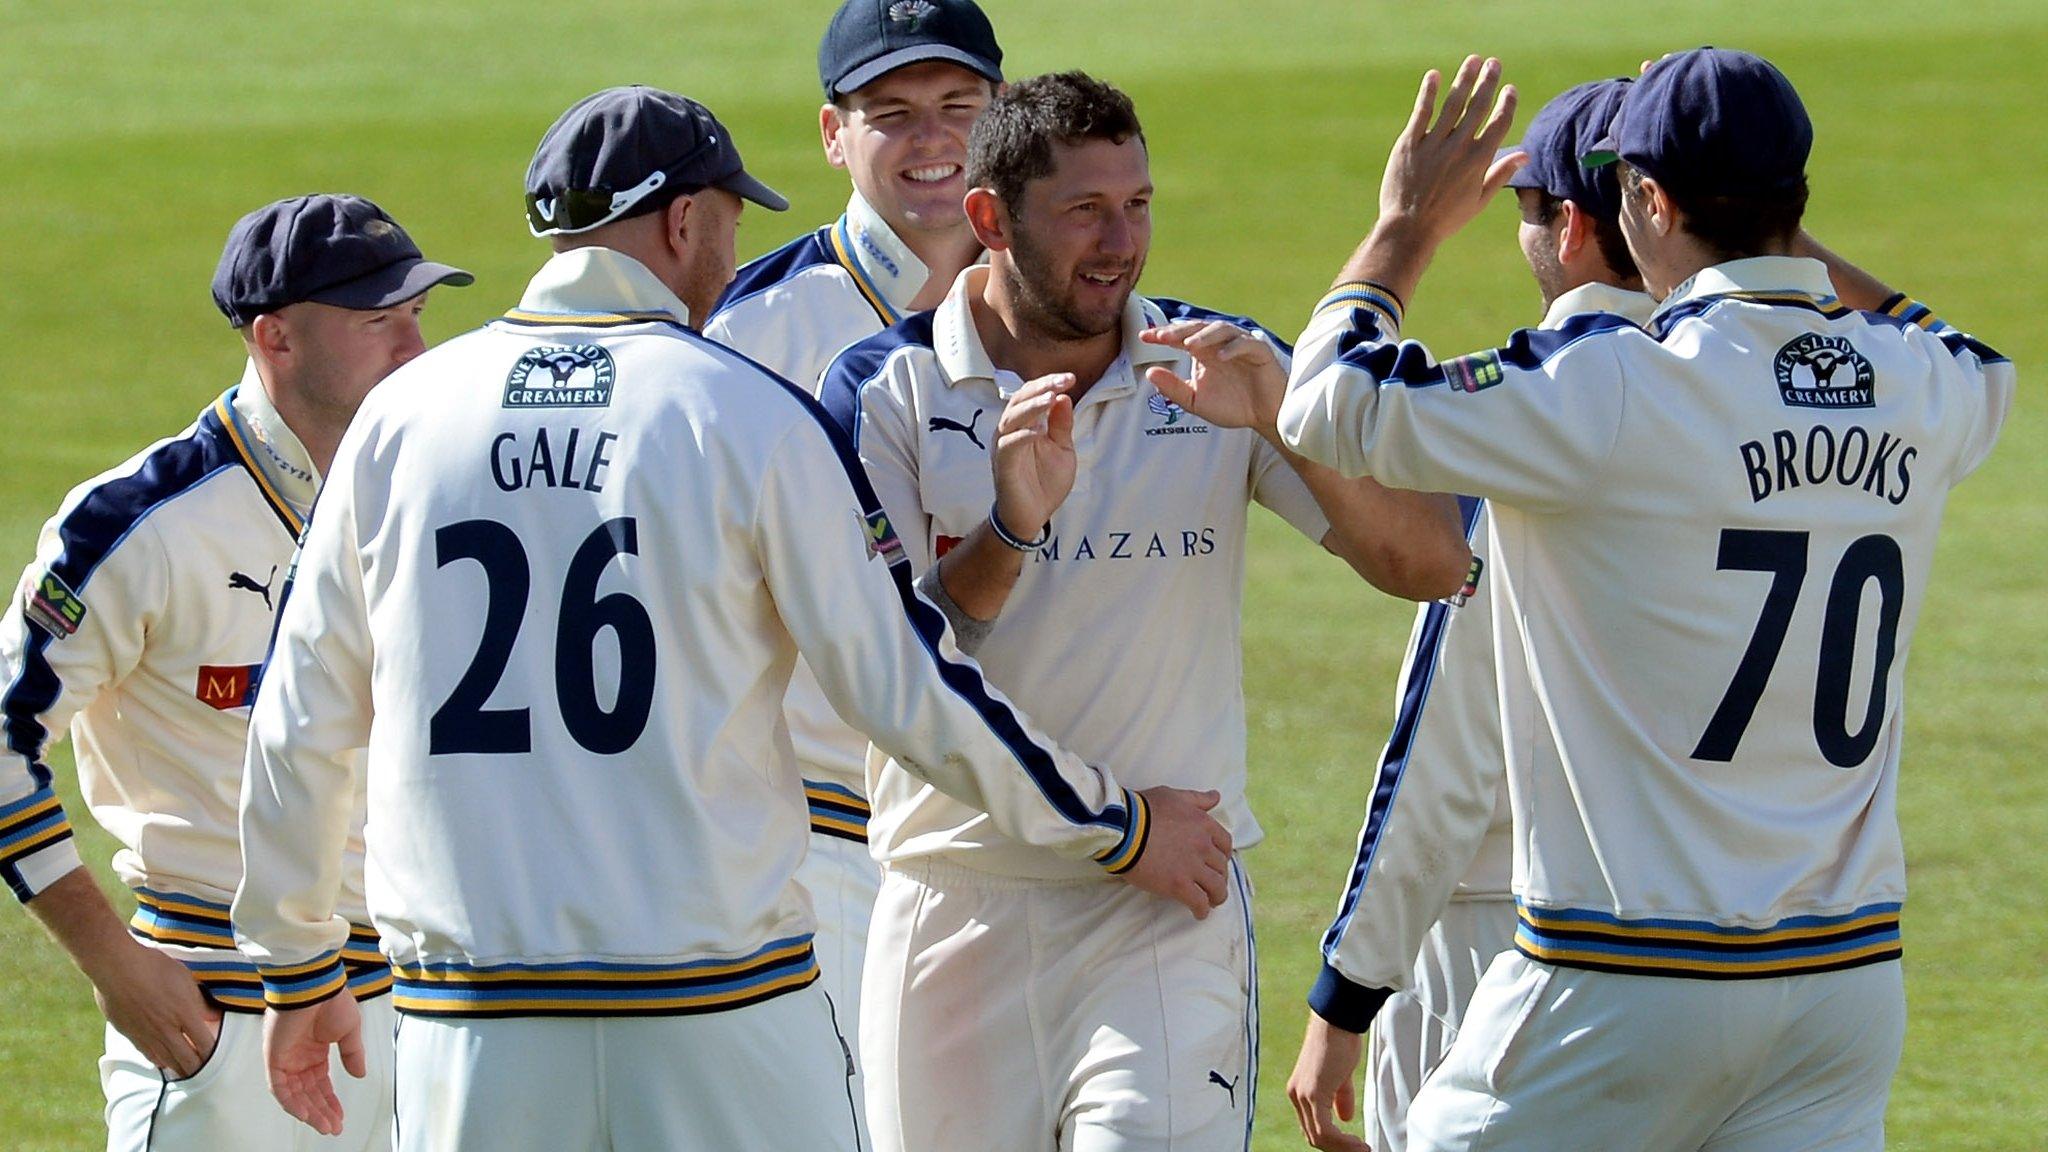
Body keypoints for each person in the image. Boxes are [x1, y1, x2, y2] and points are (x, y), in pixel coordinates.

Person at [228, 85, 1231, 1152]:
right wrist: (1114, 826)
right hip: (718, 1008)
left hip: (468, 1019)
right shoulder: (741, 411)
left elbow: (298, 715)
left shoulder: (401, 418)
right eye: (730, 218)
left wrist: (294, 964)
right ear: (682, 220)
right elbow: (903, 686)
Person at [1276, 52, 2011, 1151]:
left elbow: (1330, 401)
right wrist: (1773, 233)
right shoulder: (1916, 383)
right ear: (1791, 202)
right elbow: (1971, 353)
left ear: (1648, 201)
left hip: (1622, 979)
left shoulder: (1612, 382)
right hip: (1839, 991)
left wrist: (1404, 229)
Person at [818, 71, 1472, 1152]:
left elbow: (1431, 563)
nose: (1120, 243)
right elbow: (891, 664)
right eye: (1083, 210)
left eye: (1137, 204)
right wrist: (1009, 531)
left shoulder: (1213, 366)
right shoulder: (881, 390)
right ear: (989, 218)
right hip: (951, 897)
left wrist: (1282, 420)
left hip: (1168, 907)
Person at [0, 193, 470, 1150]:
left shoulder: (447, 487)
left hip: (435, 1014)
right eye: (380, 321)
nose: (415, 348)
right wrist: (114, 962)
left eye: (419, 313)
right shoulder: (139, 521)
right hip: (225, 1021)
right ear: (276, 339)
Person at [1284, 76, 1654, 1152]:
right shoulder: (1732, 406)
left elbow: (1442, 753)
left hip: (1504, 937)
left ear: (1572, 228)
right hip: (1727, 942)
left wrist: (1345, 994)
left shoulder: (1541, 418)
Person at [700, 0, 1006, 1095]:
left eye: (957, 107)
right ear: (833, 134)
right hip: (832, 835)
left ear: (1002, 114)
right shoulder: (746, 331)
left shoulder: (1071, 302)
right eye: (892, 113)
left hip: (1043, 827)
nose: (931, 140)